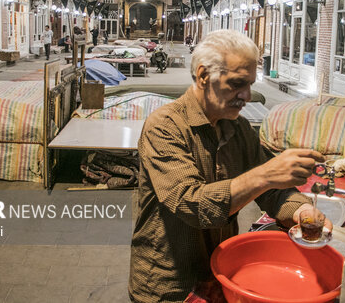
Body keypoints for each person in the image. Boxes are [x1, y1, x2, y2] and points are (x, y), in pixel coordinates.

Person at [129, 30, 331, 302]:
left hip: (221, 271)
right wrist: (266, 174)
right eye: (237, 84)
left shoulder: (239, 129)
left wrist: (302, 209)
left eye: (249, 84)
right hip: (170, 285)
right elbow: (192, 204)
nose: (247, 95)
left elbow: (272, 191)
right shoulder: (165, 127)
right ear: (203, 77)